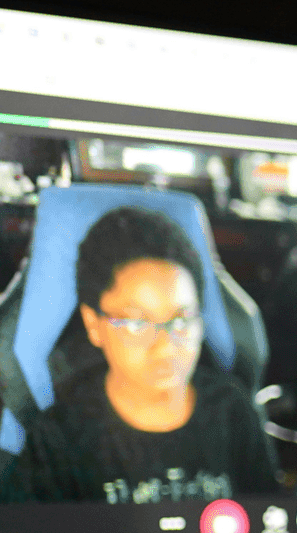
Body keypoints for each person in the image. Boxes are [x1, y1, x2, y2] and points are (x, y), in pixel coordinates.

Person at [0, 205, 279, 503]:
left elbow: (270, 517)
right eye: (137, 323)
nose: (166, 345)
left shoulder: (232, 413)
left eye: (182, 320)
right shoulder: (57, 441)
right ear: (93, 324)